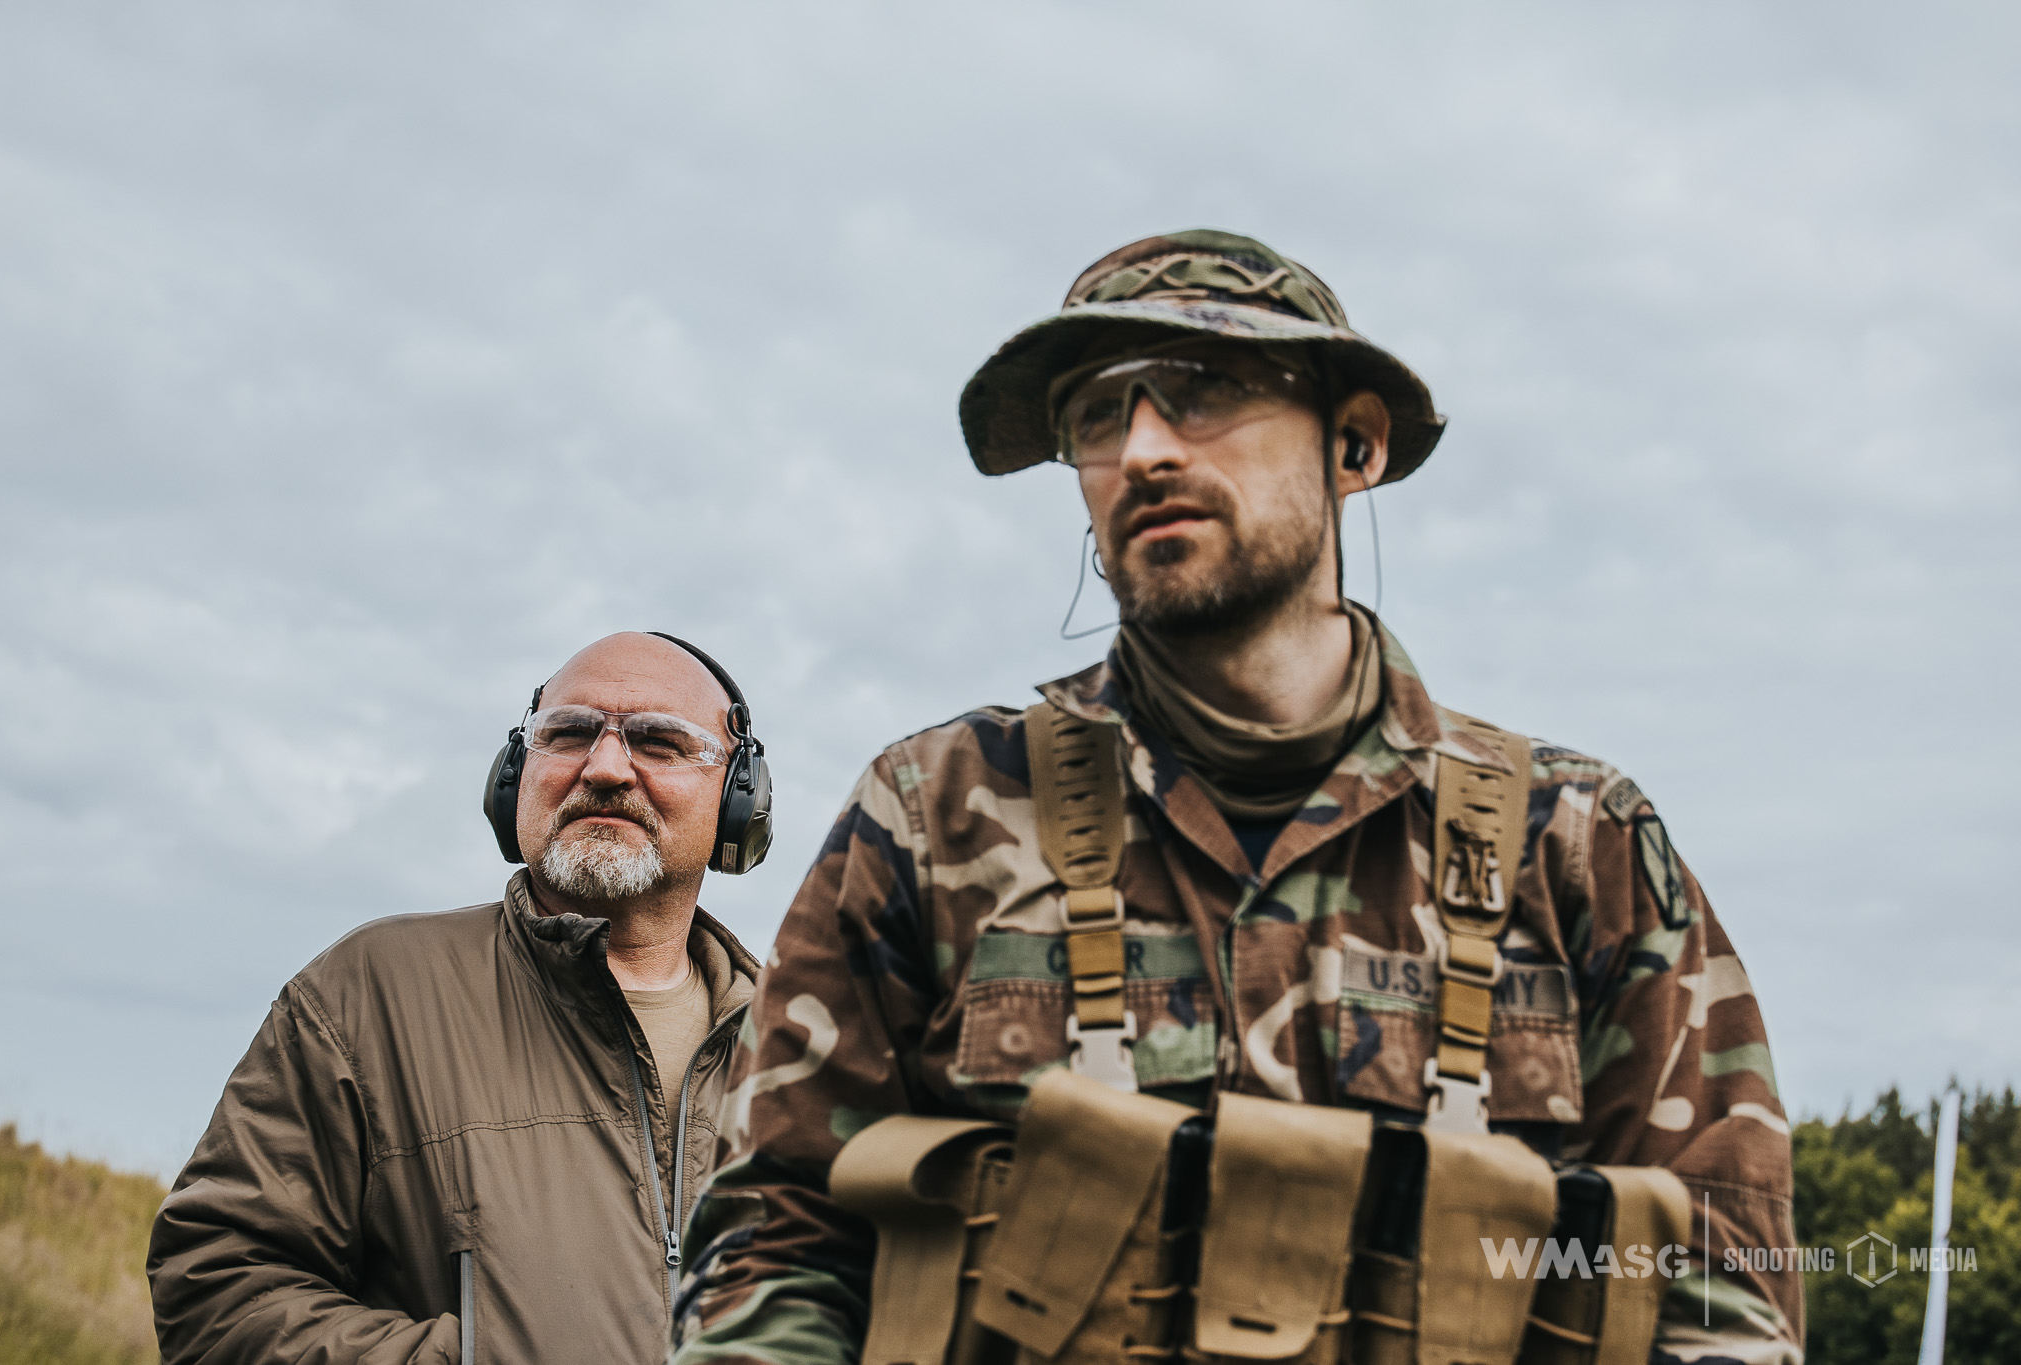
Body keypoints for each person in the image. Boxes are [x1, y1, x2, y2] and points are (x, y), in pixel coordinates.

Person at [672, 231, 1802, 1365]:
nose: (1144, 449)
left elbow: (1719, 1277)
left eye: (1203, 390)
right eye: (1097, 417)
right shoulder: (932, 815)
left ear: (1352, 443)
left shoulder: (1571, 841)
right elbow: (779, 1240)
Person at [149, 630, 772, 1363]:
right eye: (567, 734)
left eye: (659, 742)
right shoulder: (368, 992)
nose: (604, 767)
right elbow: (217, 1287)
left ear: (739, 799)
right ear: (514, 775)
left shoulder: (810, 1052)